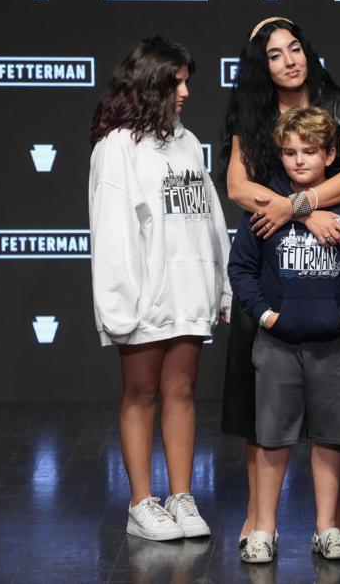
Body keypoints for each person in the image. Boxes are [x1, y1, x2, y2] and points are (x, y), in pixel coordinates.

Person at [218, 17, 340, 552]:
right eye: (274, 54)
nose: (289, 60)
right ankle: (258, 518)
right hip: (272, 286)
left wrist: (297, 205)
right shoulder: (252, 114)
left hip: (331, 292)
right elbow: (239, 187)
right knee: (262, 412)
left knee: (338, 412)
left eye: (295, 49)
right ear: (259, 67)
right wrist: (299, 216)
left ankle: (333, 517)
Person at [89, 36, 231, 541]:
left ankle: (181, 497)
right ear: (151, 83)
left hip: (190, 291)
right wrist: (120, 305)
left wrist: (222, 286)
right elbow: (111, 231)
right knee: (142, 393)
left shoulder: (188, 142)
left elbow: (209, 219)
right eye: (177, 81)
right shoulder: (116, 148)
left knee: (181, 392)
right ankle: (141, 503)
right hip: (144, 297)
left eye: (187, 80)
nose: (186, 91)